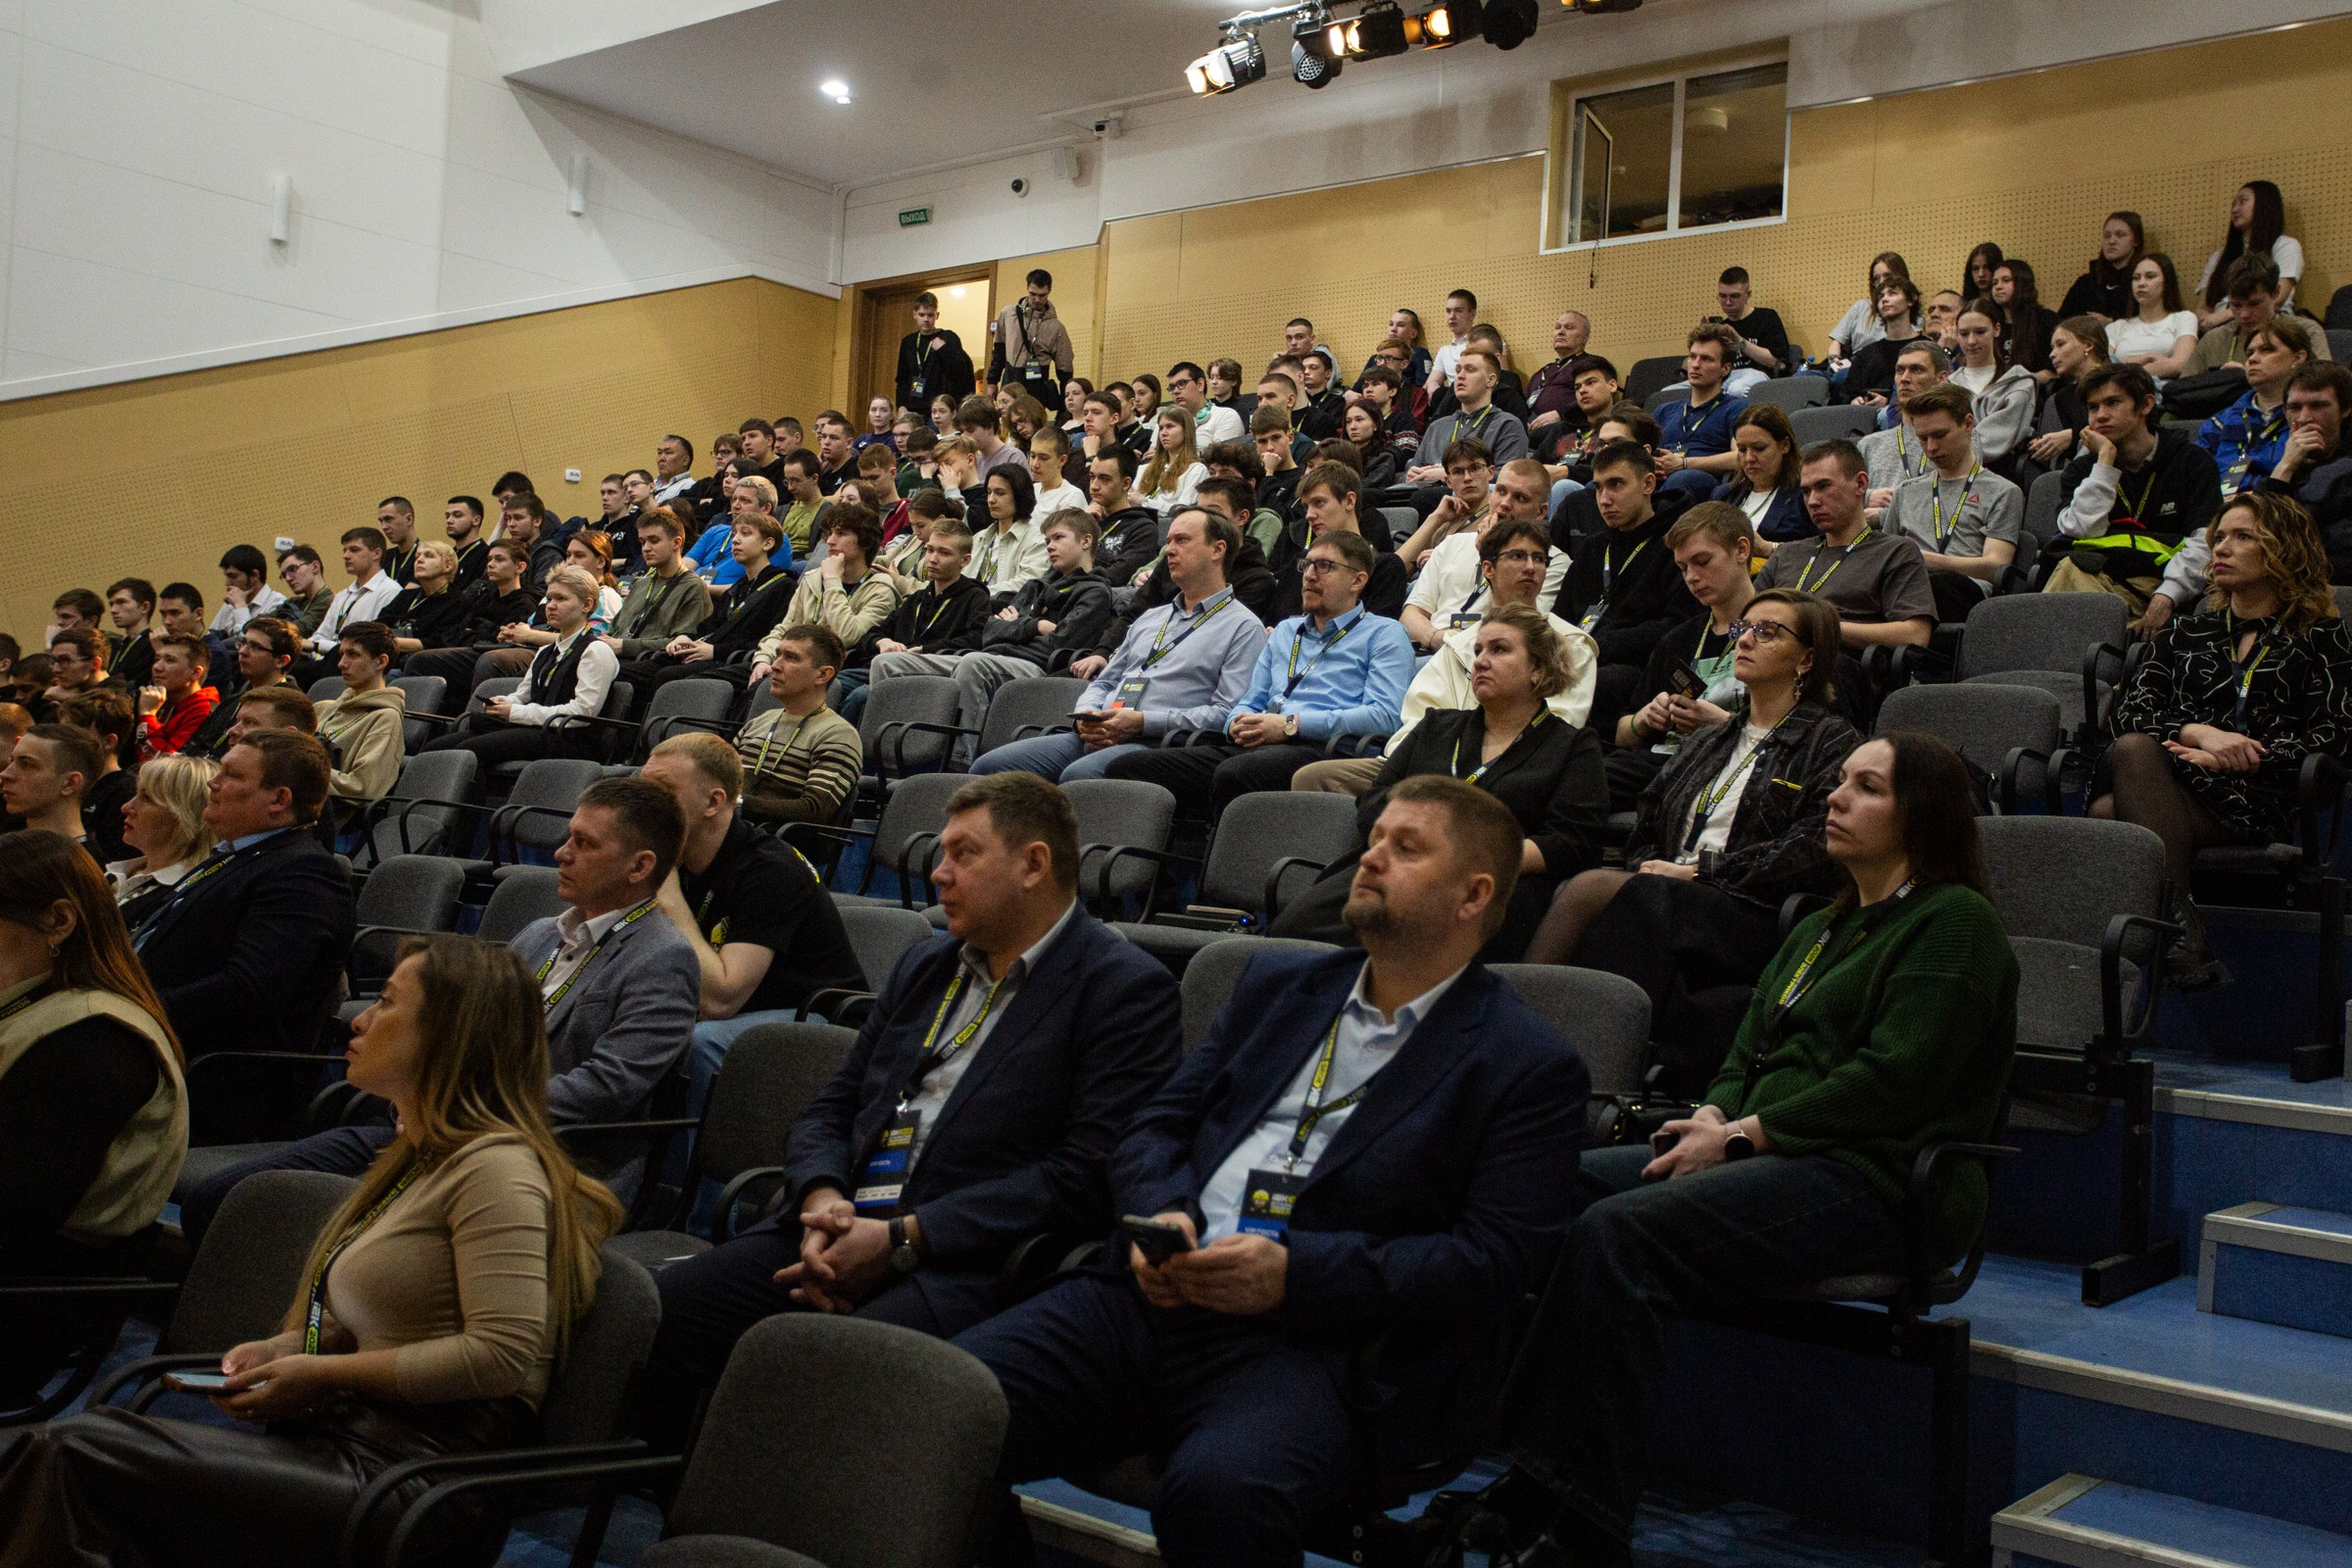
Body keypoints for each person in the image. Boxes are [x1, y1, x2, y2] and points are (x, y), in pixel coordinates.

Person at [958, 776, 1588, 1568]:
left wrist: (1293, 1275)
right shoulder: (1279, 987)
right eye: (1375, 837)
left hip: (1314, 1344)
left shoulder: (1525, 1065)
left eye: (1406, 846)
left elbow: (1492, 1264)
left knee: (1223, 1493)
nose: (1371, 856)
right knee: (944, 1405)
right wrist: (1166, 1214)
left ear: (1474, 895)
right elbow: (1156, 1125)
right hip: (1150, 1292)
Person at [1459, 732, 2016, 1568]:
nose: (1835, 797)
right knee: (1551, 1187)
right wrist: (1715, 1112)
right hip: (1771, 1152)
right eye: (1839, 782)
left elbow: (1893, 1081)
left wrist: (1745, 1135)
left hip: (1881, 1178)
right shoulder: (1822, 926)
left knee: (1622, 1233)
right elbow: (1748, 1047)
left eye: (1865, 788)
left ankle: (1584, 1519)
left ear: (1921, 817)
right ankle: (1532, 1470)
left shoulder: (1955, 924)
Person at [1, 930, 625, 1568]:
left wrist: (319, 1373)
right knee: (66, 1455)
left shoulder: (498, 1171)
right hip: (342, 1441)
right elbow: (391, 1324)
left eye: (385, 1002)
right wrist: (287, 1350)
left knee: (75, 1456)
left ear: (449, 1033)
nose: (359, 1018)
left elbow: (497, 1358)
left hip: (411, 1482)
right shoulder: (421, 1158)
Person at [642, 773, 1182, 1447]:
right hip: (836, 1225)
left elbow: (1083, 1174)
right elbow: (834, 1105)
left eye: (963, 854)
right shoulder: (928, 964)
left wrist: (904, 1238)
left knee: (824, 1372)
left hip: (963, 1258)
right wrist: (821, 1194)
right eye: (941, 853)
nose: (938, 872)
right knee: (661, 1310)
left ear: (1034, 864)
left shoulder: (1123, 989)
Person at [1525, 588, 1862, 1092]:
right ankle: (1563, 1054)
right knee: (1618, 892)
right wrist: (1653, 865)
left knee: (1614, 893)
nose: (1745, 639)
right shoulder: (1711, 737)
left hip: (1752, 906)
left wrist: (1700, 872)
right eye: (1742, 629)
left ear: (1807, 658)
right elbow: (1650, 816)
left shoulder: (1831, 741)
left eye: (1767, 631)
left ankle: (1548, 1052)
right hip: (1670, 889)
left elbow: (1812, 850)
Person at [2099, 490, 2352, 989]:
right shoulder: (2183, 633)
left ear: (2285, 550)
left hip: (2262, 795)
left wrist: (2238, 758)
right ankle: (2182, 939)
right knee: (2129, 751)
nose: (2220, 548)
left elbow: (2334, 740)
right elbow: (2128, 713)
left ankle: (2173, 938)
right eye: (2218, 538)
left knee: (2110, 813)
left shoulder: (2323, 638)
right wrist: (2198, 733)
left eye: (2242, 537)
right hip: (2178, 782)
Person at [1273, 605, 1608, 958]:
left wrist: (1464, 856)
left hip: (1488, 888)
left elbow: (1572, 842)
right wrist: (1419, 841)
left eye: (1499, 649)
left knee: (1415, 950)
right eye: (1477, 650)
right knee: (1290, 937)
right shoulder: (1436, 726)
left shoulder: (1572, 746)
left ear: (1538, 669)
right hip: (1395, 867)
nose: (1479, 661)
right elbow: (1373, 801)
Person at [0, 831, 188, 1408]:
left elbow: (13, 1218)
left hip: (26, 1303)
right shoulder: (39, 1004)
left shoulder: (93, 1041)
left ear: (57, 921)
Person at [1104, 529, 1411, 815]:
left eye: (1324, 566)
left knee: (1236, 774)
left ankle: (1226, 864)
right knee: (1129, 767)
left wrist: (1291, 725)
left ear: (1357, 580)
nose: (1309, 576)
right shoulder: (1286, 631)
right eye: (1306, 566)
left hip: (1325, 748)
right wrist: (1237, 722)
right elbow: (1252, 699)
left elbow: (1384, 715)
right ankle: (1171, 865)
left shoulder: (1384, 634)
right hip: (1261, 741)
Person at [640, 733, 863, 1107]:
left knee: (700, 1041)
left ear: (714, 802)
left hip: (819, 1020)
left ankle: (688, 1164)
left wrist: (671, 901)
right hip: (748, 1008)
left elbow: (719, 1001)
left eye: (663, 791)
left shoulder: (771, 870)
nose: (645, 806)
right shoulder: (675, 857)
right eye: (643, 790)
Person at [972, 508, 1269, 783]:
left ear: (1218, 550)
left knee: (1079, 776)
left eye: (1182, 540)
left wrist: (1142, 722)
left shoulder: (1243, 628)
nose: (1170, 550)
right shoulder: (1151, 618)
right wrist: (1088, 716)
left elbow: (1225, 713)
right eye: (1168, 541)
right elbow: (1105, 681)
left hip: (1157, 744)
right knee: (988, 768)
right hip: (1099, 731)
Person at [131, 730, 355, 1074]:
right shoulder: (238, 855)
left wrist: (133, 1007)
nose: (213, 783)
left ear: (280, 800)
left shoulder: (305, 875)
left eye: (232, 775)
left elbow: (246, 993)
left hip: (203, 1070)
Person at [2042, 364, 2227, 636]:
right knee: (2070, 570)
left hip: (2158, 584)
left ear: (2145, 405)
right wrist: (2105, 462)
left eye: (2112, 403)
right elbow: (2081, 531)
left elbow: (2205, 542)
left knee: (2068, 592)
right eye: (2093, 408)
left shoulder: (2192, 463)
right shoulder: (2084, 470)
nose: (2101, 415)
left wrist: (2168, 595)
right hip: (2096, 578)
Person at [1607, 503, 1760, 810]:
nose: (1691, 577)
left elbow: (1798, 741)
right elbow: (1623, 733)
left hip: (1735, 765)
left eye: (1702, 561)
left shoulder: (1775, 633)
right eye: (1682, 567)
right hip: (1660, 762)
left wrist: (1723, 724)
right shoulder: (1678, 640)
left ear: (1742, 550)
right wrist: (1645, 718)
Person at [1552, 439, 1703, 729]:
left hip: (1639, 670)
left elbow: (1677, 627)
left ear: (1648, 484)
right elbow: (1560, 619)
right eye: (1598, 487)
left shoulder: (1675, 547)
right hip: (1578, 660)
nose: (1604, 499)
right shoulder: (1593, 549)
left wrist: (1598, 645)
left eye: (1616, 485)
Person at [1758, 442, 1936, 677]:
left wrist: (1820, 629)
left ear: (1860, 484)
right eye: (1806, 491)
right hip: (1771, 663)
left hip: (1839, 670)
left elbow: (1915, 635)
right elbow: (1744, 619)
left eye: (1823, 486)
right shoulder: (1787, 553)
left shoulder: (1895, 551)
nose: (1812, 501)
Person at [422, 565, 614, 768]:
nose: (551, 606)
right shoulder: (545, 651)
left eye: (561, 599)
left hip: (569, 738)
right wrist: (503, 702)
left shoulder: (595, 650)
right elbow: (523, 696)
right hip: (536, 729)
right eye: (549, 599)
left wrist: (515, 712)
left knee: (469, 750)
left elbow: (581, 713)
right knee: (434, 748)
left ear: (587, 605)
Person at [615, 513, 796, 700]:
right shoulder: (738, 588)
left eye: (745, 533)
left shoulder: (783, 586)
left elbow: (769, 639)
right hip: (709, 654)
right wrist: (684, 638)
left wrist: (714, 651)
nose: (735, 541)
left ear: (767, 543)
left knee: (668, 676)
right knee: (642, 666)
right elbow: (707, 628)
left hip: (733, 660)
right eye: (734, 534)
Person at [1883, 383, 2025, 620]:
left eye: (1940, 435)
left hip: (1963, 595)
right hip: (1907, 588)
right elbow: (1886, 556)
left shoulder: (2003, 492)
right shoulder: (1906, 491)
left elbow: (1996, 566)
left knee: (1938, 584)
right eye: (1922, 438)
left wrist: (1928, 561)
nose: (1931, 447)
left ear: (1968, 424)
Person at [1401, 458, 1572, 653]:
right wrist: (1438, 638)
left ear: (1541, 512)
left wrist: (1490, 553)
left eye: (1520, 498)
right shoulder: (1452, 543)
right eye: (1501, 491)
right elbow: (1411, 614)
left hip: (1487, 656)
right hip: (1431, 649)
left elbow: (1521, 624)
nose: (1505, 503)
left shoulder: (1550, 562)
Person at [848, 519, 990, 723]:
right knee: (832, 684)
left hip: (933, 673)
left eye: (944, 553)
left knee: (859, 698)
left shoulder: (975, 598)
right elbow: (871, 634)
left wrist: (925, 649)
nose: (933, 559)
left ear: (965, 560)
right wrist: (882, 642)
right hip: (890, 666)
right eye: (929, 550)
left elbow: (976, 640)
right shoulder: (918, 599)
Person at [753, 504, 903, 683]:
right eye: (829, 533)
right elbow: (786, 629)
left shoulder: (881, 590)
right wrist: (763, 659)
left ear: (865, 541)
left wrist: (832, 581)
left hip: (831, 672)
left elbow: (847, 636)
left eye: (841, 534)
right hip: (792, 663)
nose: (830, 541)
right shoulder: (813, 579)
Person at [734, 625, 864, 827]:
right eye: (777, 655)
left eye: (791, 658)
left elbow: (814, 811)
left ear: (823, 675)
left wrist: (738, 804)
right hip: (730, 829)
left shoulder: (840, 735)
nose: (775, 665)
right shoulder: (759, 722)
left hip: (776, 845)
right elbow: (720, 777)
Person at [1272, 462, 1409, 621]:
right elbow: (1276, 621)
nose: (1309, 515)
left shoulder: (1386, 568)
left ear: (1350, 501)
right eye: (1306, 507)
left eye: (1319, 503)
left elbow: (1376, 634)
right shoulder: (1301, 561)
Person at [2200, 316, 2318, 498]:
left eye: (2266, 350)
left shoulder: (2309, 418)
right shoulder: (2221, 421)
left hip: (2279, 512)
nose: (2253, 359)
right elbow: (2191, 477)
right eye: (2249, 353)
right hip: (2218, 514)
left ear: (2298, 358)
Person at [107, 753, 218, 931]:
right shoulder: (115, 872)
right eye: (136, 794)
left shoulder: (187, 899)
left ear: (186, 815)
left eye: (148, 798)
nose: (126, 807)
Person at [2182, 254, 2333, 378]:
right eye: (2236, 305)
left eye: (2254, 304)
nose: (2244, 314)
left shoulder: (2307, 331)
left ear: (2276, 293)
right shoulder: (2213, 340)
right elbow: (2181, 392)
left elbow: (2325, 385)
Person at [2264, 364, 2352, 570]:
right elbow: (2254, 533)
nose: (2304, 418)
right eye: (2294, 408)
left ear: (2346, 410)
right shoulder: (2286, 463)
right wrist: (2285, 467)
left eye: (2318, 406)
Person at [1406, 348, 1529, 494]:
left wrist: (1449, 475)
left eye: (1470, 370)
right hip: (1423, 494)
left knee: (1424, 497)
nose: (1460, 376)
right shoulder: (1437, 426)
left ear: (1491, 380)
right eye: (1458, 371)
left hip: (1473, 499)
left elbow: (1508, 478)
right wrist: (1411, 474)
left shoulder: (1507, 424)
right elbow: (1413, 471)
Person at [602, 509, 714, 662]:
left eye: (654, 541)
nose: (646, 548)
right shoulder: (640, 584)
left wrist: (624, 646)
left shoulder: (693, 587)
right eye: (642, 542)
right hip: (613, 658)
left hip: (649, 663)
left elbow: (682, 645)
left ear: (676, 542)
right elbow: (614, 632)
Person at [314, 621, 407, 804]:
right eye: (341, 654)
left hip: (328, 816)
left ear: (381, 662)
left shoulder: (385, 718)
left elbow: (363, 788)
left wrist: (302, 769)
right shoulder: (322, 708)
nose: (341, 664)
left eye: (353, 655)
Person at [1653, 324, 1749, 497]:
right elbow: (1639, 453)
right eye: (1692, 356)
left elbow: (1740, 457)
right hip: (1657, 480)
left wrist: (1683, 464)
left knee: (1681, 480)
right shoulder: (1664, 410)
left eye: (1706, 359)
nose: (1696, 365)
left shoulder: (1736, 407)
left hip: (1701, 482)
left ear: (1725, 369)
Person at [2196, 179, 2303, 329]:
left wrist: (2225, 316)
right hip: (2218, 331)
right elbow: (2202, 307)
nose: (2235, 209)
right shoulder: (2218, 257)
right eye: (2233, 204)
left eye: (2243, 201)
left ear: (2264, 205)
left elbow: (2277, 297)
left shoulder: (2285, 246)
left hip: (2270, 325)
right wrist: (2204, 320)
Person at [1711, 403, 1810, 546]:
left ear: (1785, 446)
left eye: (1759, 448)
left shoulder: (1806, 495)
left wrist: (1768, 548)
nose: (1749, 458)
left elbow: (1823, 548)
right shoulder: (1723, 495)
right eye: (1742, 449)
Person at [56, 692, 137, 861]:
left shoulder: (124, 794)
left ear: (109, 742)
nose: (62, 743)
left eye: (75, 735)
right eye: (62, 733)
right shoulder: (62, 781)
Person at [2026, 316, 2114, 471]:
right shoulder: (2063, 397)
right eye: (2052, 347)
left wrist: (2072, 436)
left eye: (2060, 344)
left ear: (2087, 345)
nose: (2052, 354)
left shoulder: (2123, 380)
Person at [303, 526, 403, 663]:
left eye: (354, 550)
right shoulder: (343, 595)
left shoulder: (390, 591)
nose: (346, 556)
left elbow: (368, 643)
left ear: (376, 554)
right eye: (344, 550)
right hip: (326, 660)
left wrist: (315, 646)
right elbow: (322, 634)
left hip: (357, 662)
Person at [0, 724, 101, 848]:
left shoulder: (82, 864)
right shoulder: (11, 843)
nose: (5, 774)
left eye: (26, 764)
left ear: (70, 783)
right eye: (11, 760)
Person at [2106, 252, 2200, 383]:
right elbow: (2103, 370)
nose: (2141, 283)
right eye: (2136, 278)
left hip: (2166, 393)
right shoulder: (2117, 327)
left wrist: (2124, 365)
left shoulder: (2184, 318)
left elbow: (2180, 365)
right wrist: (2139, 361)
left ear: (2167, 281)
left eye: (2150, 276)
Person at [378, 539, 476, 658]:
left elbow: (438, 643)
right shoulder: (405, 596)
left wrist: (386, 641)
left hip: (420, 663)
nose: (419, 560)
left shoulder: (457, 602)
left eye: (429, 556)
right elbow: (379, 625)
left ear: (448, 566)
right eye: (417, 556)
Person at [988, 268, 1073, 404]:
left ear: (1049, 292)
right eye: (1033, 294)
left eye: (1042, 295)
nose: (1037, 299)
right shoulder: (1008, 314)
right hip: (1011, 378)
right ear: (1027, 288)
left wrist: (1066, 401)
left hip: (1036, 384)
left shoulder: (1056, 327)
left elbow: (1065, 368)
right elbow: (999, 350)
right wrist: (992, 382)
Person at [132, 632, 220, 762]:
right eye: (157, 659)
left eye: (170, 660)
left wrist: (147, 715)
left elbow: (163, 765)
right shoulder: (159, 699)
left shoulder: (203, 710)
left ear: (195, 673)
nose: (157, 667)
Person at [1712, 266, 1790, 391]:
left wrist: (1739, 340)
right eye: (1722, 296)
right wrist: (1700, 342)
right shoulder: (1721, 327)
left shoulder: (1766, 317)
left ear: (1748, 295)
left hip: (1759, 375)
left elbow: (1777, 362)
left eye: (1734, 296)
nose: (1727, 302)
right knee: (1672, 391)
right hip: (1725, 376)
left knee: (1736, 389)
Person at [1825, 252, 1911, 364]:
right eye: (1876, 278)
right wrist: (1834, 359)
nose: (1881, 282)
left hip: (1884, 363)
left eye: (1887, 276)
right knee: (1809, 376)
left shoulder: (1910, 314)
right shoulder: (1862, 306)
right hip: (1853, 362)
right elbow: (1836, 342)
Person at [2060, 210, 2146, 321]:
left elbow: (2153, 322)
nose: (2111, 241)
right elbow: (2062, 324)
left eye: (2120, 235)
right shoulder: (2086, 283)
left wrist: (2111, 323)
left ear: (2136, 240)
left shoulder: (2143, 281)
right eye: (2107, 235)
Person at [1990, 259, 2060, 378]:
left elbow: (2054, 371)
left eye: (2006, 280)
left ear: (2022, 283)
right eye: (1994, 283)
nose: (1998, 287)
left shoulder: (2045, 320)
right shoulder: (1991, 324)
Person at [210, 544, 287, 637]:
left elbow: (252, 643)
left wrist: (240, 607)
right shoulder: (231, 604)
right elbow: (211, 639)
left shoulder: (278, 603)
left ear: (254, 576)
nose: (227, 583)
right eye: (227, 576)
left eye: (233, 576)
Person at [100, 578, 158, 691]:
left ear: (144, 607)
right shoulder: (115, 645)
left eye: (121, 602)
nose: (113, 610)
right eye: (111, 604)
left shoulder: (153, 646)